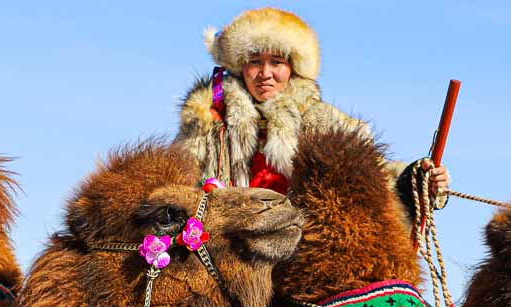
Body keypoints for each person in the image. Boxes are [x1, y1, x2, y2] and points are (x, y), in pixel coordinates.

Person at [172, 7, 450, 206]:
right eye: (255, 62)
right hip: (226, 248)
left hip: (300, 247)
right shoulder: (209, 119)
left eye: (277, 62)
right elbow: (178, 179)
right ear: (240, 67)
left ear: (292, 67)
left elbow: (372, 177)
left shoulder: (322, 121)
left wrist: (417, 180)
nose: (265, 73)